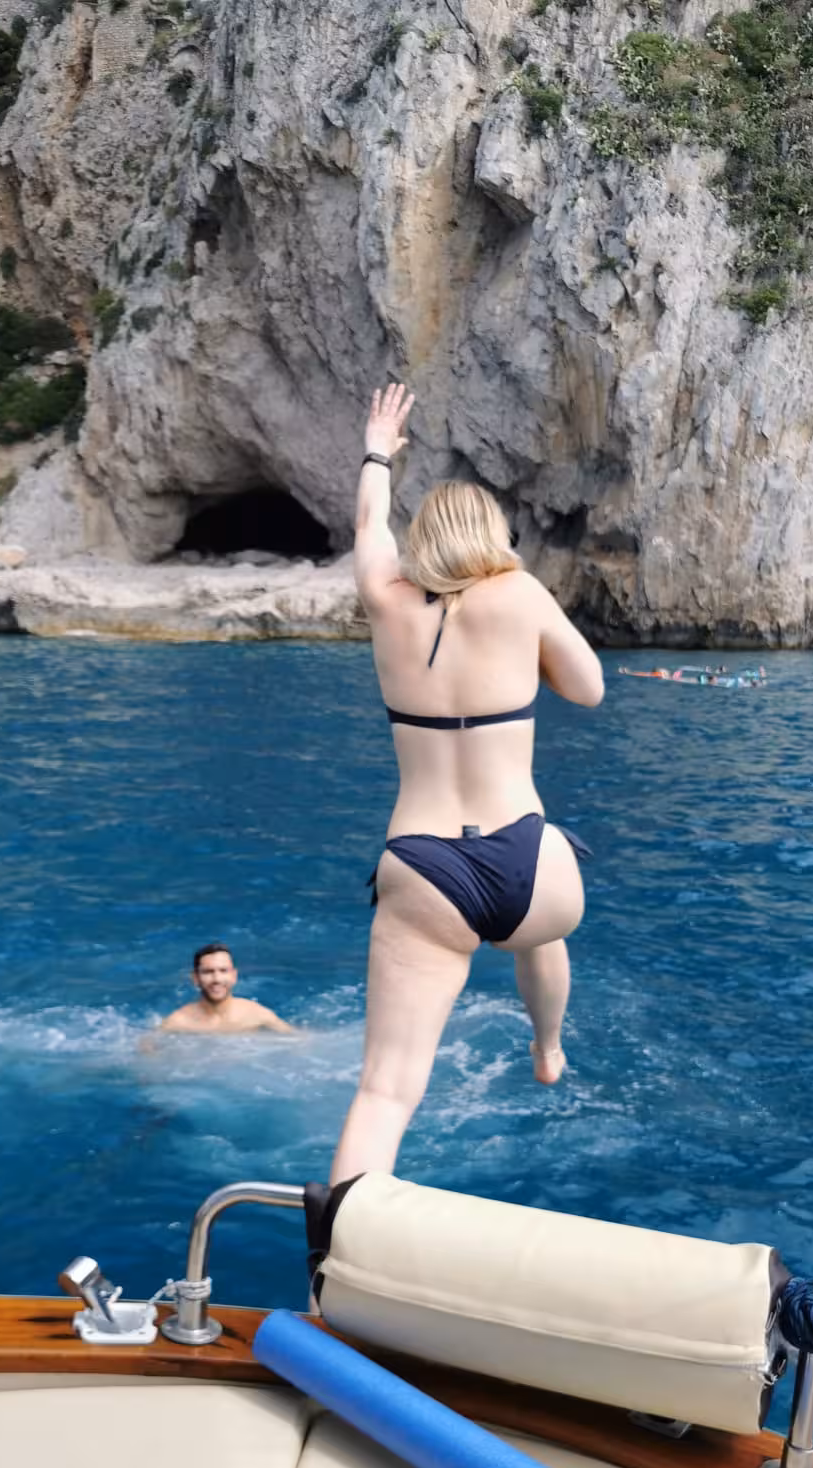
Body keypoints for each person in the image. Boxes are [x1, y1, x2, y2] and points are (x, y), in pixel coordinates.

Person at [328, 383, 604, 1185]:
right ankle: (547, 1045)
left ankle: (330, 1269)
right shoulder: (519, 595)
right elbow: (588, 689)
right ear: (492, 535)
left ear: (426, 541)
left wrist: (379, 445)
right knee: (541, 930)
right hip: (527, 861)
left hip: (422, 866)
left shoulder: (385, 600)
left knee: (384, 1090)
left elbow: (367, 525)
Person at [157, 943, 296, 1034]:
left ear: (234, 976)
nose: (217, 979)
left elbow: (299, 1040)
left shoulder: (256, 1014)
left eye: (223, 971)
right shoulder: (179, 1022)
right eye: (208, 972)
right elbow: (147, 1051)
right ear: (195, 978)